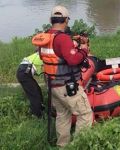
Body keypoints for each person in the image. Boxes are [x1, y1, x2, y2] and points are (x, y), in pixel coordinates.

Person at [33, 5, 93, 147]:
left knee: (63, 115)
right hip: (67, 85)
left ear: (51, 19)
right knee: (85, 114)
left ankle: (62, 145)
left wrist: (74, 45)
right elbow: (72, 60)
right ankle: (78, 145)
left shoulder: (45, 37)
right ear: (66, 20)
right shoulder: (63, 38)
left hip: (52, 84)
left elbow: (50, 54)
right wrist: (84, 50)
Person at [16, 52, 44, 118]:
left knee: (37, 89)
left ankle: (40, 108)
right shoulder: (45, 55)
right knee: (34, 94)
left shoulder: (40, 53)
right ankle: (37, 115)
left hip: (23, 71)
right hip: (24, 73)